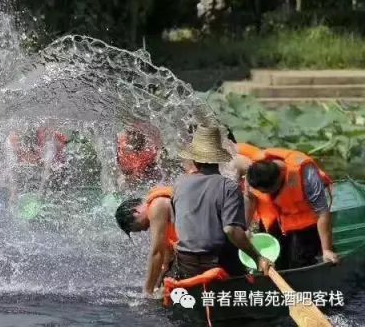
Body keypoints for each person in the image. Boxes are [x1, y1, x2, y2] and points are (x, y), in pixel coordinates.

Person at [171, 125, 271, 279]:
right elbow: (231, 230)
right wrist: (257, 257)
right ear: (218, 159)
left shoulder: (179, 184)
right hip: (217, 262)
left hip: (185, 261)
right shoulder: (228, 186)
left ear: (195, 161)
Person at [241, 147, 339, 269]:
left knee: (300, 262)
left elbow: (322, 212)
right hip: (272, 220)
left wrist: (327, 249)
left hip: (305, 222)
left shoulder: (305, 173)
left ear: (280, 176)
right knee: (275, 261)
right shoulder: (253, 173)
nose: (267, 194)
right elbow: (249, 198)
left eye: (271, 191)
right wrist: (245, 227)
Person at [114, 185, 176, 298]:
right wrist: (156, 285)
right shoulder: (159, 206)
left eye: (138, 227)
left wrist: (147, 292)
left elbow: (157, 253)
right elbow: (166, 260)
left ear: (135, 212)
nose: (144, 229)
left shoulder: (157, 205)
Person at [116, 124, 161, 191]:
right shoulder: (120, 145)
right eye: (130, 133)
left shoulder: (151, 150)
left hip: (145, 175)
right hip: (128, 176)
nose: (132, 136)